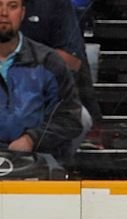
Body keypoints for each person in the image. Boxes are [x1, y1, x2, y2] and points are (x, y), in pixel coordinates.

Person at [0, 0, 82, 160]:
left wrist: (32, 139)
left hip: (35, 162)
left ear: (23, 13)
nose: (3, 13)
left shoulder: (48, 62)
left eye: (12, 6)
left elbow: (68, 118)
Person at [20, 0, 101, 146]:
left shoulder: (55, 4)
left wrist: (22, 59)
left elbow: (72, 60)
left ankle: (55, 165)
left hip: (44, 96)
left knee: (81, 118)